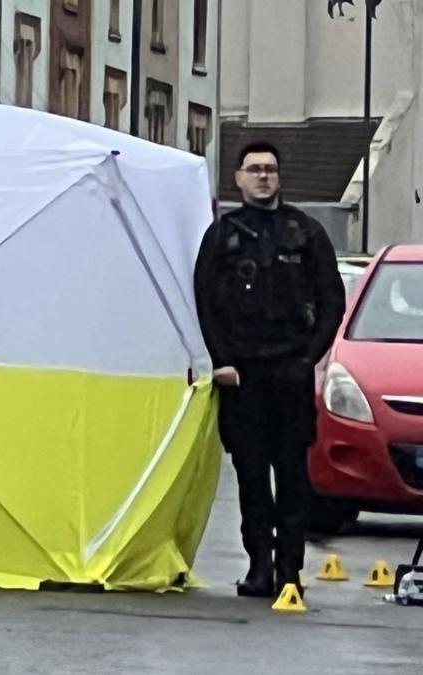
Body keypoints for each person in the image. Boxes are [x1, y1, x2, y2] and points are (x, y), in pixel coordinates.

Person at [193, 141, 347, 598]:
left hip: (289, 373)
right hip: (243, 376)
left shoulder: (306, 232)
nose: (263, 177)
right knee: (252, 475)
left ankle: (290, 569)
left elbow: (331, 301)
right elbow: (204, 304)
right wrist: (221, 362)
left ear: (280, 178)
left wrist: (308, 358)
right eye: (255, 169)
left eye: (271, 170)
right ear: (238, 177)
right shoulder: (222, 235)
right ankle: (259, 563)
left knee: (294, 476)